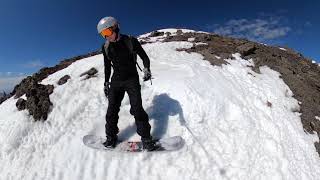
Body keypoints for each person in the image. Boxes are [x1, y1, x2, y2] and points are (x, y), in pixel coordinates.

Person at [97, 16, 156, 151]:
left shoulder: (130, 41)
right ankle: (111, 137)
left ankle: (146, 138)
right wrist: (106, 82)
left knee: (137, 109)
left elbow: (144, 57)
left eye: (107, 33)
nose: (106, 37)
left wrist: (146, 68)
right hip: (116, 80)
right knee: (111, 110)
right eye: (102, 35)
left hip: (131, 79)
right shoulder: (105, 47)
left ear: (115, 27)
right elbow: (107, 67)